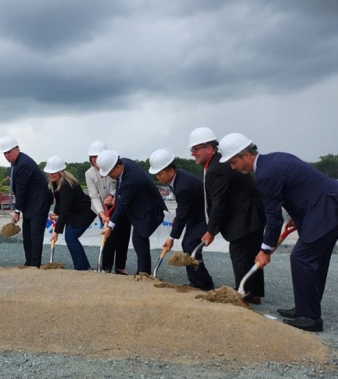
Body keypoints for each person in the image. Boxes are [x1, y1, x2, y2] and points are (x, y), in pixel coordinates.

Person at [220, 133, 338, 332]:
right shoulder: (273, 160)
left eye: (233, 162)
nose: (233, 167)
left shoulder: (265, 174)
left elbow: (273, 217)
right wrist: (297, 214)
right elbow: (300, 187)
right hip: (326, 204)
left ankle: (310, 318)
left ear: (246, 155)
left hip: (327, 207)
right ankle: (305, 308)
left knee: (302, 258)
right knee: (315, 259)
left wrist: (265, 250)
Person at [188, 127, 265, 304]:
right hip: (251, 213)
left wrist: (211, 231)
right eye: (192, 150)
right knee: (251, 253)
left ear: (209, 148)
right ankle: (254, 293)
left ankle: (243, 296)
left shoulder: (216, 168)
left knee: (240, 253)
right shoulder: (216, 164)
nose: (193, 154)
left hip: (245, 217)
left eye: (195, 149)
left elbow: (218, 203)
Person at [149, 149, 214, 290]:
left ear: (170, 171)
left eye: (159, 173)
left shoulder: (183, 184)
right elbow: (183, 209)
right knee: (189, 245)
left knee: (190, 246)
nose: (157, 177)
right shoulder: (178, 179)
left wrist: (172, 237)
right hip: (196, 215)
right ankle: (203, 283)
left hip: (205, 217)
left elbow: (182, 212)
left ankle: (201, 284)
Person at [97, 150, 166, 275]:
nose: (109, 176)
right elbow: (120, 192)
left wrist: (110, 227)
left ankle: (144, 274)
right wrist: (115, 198)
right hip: (139, 206)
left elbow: (122, 205)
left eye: (110, 173)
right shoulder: (124, 164)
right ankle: (143, 272)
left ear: (117, 167)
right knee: (139, 240)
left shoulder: (131, 179)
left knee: (139, 240)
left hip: (150, 210)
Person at [1, 136, 54, 268]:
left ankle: (35, 265)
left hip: (39, 202)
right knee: (27, 234)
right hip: (30, 202)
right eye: (5, 153)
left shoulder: (23, 164)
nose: (7, 155)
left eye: (9, 152)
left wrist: (17, 211)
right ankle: (29, 262)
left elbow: (21, 189)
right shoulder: (15, 164)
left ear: (17, 149)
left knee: (35, 234)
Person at [45, 156, 96, 271]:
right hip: (75, 213)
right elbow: (59, 202)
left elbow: (65, 210)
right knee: (72, 238)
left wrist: (56, 231)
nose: (51, 174)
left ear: (61, 171)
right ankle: (85, 267)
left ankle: (81, 268)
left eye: (55, 172)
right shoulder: (56, 182)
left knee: (71, 237)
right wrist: (55, 213)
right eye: (50, 172)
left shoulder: (66, 186)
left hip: (84, 213)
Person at [84, 141, 127, 274]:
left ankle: (120, 267)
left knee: (123, 236)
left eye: (97, 156)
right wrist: (102, 214)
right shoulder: (89, 174)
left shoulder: (116, 166)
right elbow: (94, 196)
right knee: (109, 236)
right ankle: (106, 267)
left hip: (120, 204)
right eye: (93, 157)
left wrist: (112, 195)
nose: (95, 159)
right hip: (103, 209)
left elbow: (121, 186)